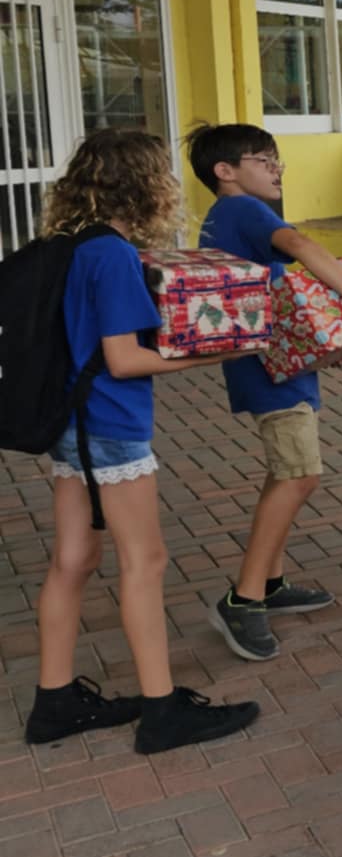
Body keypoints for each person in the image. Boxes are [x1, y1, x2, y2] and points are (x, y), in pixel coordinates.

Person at [28, 128, 261, 755]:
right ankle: (161, 711)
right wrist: (219, 351)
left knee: (72, 560)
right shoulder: (112, 255)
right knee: (145, 561)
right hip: (111, 424)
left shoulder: (69, 243)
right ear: (146, 184)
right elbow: (124, 359)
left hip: (70, 424)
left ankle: (54, 702)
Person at [191, 123, 342, 663]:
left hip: (274, 359)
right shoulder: (244, 209)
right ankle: (243, 599)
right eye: (262, 159)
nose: (277, 168)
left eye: (276, 158)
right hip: (268, 367)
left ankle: (270, 582)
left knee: (286, 473)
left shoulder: (223, 216)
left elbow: (274, 288)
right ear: (225, 172)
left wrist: (321, 345)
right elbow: (300, 247)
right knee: (300, 474)